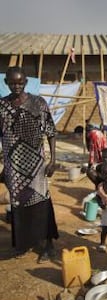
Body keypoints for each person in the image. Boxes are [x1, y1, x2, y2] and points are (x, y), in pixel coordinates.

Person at [0, 66, 59, 262]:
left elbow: (51, 131)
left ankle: (48, 245)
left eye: (20, 82)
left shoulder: (38, 103)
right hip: (13, 165)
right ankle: (22, 244)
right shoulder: (1, 105)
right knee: (18, 204)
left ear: (26, 82)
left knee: (41, 200)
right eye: (12, 82)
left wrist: (53, 159)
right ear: (6, 83)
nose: (16, 86)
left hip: (36, 164)